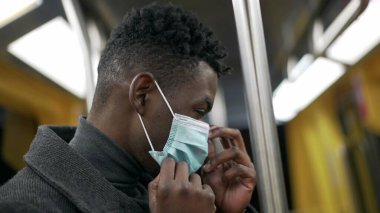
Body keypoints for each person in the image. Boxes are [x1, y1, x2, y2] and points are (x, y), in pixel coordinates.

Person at [0, 4, 257, 213]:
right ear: (142, 95)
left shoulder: (169, 191)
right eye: (199, 111)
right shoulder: (25, 205)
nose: (205, 130)